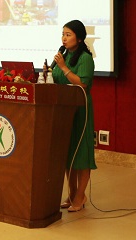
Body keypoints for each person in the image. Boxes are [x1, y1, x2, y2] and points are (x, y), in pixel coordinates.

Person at [50, 19, 96, 212]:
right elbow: (58, 79)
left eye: (68, 34)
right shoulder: (63, 56)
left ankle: (80, 195)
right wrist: (48, 72)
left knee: (81, 152)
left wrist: (63, 67)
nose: (64, 38)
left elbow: (82, 83)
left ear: (79, 38)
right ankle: (71, 192)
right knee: (68, 152)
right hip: (64, 110)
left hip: (80, 109)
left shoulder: (85, 58)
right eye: (63, 34)